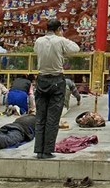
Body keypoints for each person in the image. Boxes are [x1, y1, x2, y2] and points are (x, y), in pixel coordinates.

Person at [33, 19, 80, 159]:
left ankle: (38, 150)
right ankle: (47, 150)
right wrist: (61, 37)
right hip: (56, 80)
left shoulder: (38, 41)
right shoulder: (60, 41)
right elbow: (75, 48)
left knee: (40, 117)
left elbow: (37, 52)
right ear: (59, 29)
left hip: (41, 79)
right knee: (53, 118)